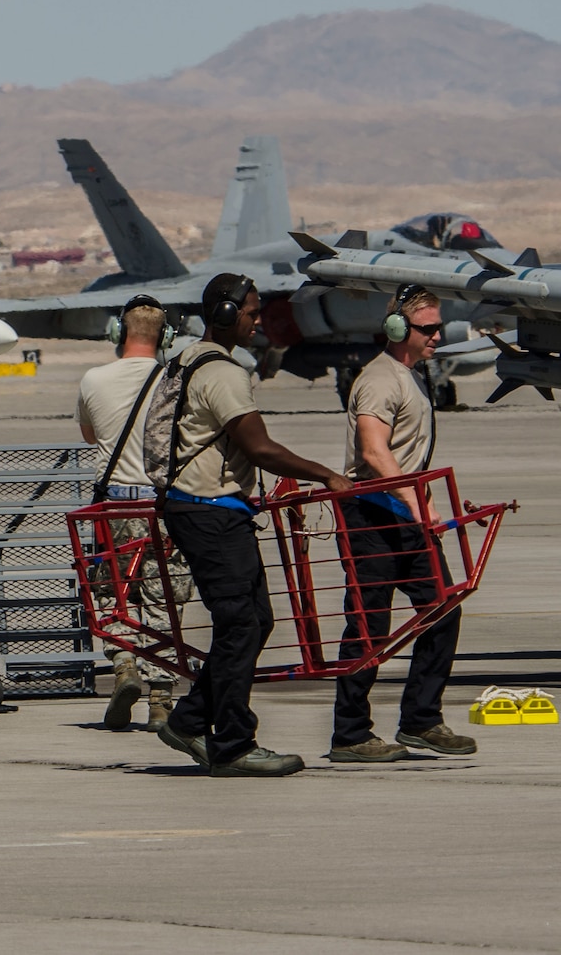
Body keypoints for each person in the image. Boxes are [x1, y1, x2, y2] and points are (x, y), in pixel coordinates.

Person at [143, 273, 353, 778]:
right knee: (239, 624)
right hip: (208, 510)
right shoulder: (223, 372)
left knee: (255, 621)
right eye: (252, 312)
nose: (258, 321)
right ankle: (233, 744)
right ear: (224, 312)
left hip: (209, 509)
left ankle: (191, 719)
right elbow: (260, 448)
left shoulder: (187, 359)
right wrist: (327, 475)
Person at [329, 285, 478, 762]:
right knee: (369, 625)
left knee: (442, 611)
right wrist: (417, 501)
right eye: (428, 328)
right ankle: (350, 734)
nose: (437, 335)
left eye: (439, 327)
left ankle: (421, 720)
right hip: (372, 515)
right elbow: (374, 452)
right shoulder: (379, 379)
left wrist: (424, 499)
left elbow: (407, 457)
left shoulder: (413, 376)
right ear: (398, 329)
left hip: (403, 511)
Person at [77, 294, 192, 733]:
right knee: (165, 596)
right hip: (161, 502)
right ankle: (161, 697)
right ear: (165, 336)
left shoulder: (93, 379)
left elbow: (90, 436)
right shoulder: (174, 379)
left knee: (112, 591)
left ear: (118, 333)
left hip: (114, 505)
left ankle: (124, 663)